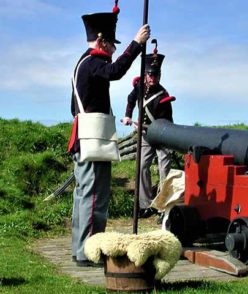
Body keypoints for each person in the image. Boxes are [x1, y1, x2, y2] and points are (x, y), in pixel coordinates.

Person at [68, 1, 150, 267]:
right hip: (93, 139)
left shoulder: (84, 62)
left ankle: (80, 249)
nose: (114, 48)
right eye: (112, 43)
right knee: (94, 198)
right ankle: (89, 253)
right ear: (102, 41)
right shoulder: (93, 62)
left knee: (84, 196)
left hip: (85, 137)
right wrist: (136, 44)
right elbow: (115, 72)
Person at [122, 40, 175, 219]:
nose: (153, 78)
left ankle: (163, 207)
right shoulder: (139, 88)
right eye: (150, 75)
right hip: (145, 136)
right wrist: (128, 115)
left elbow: (166, 121)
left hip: (163, 137)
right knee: (142, 167)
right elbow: (130, 100)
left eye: (156, 75)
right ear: (145, 75)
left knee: (164, 171)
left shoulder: (164, 95)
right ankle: (145, 204)